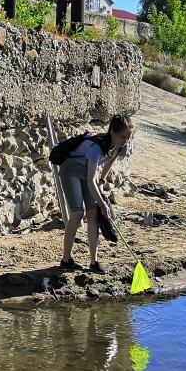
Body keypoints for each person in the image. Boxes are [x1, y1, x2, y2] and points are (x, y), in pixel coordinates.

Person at [58, 114, 134, 273]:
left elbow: (108, 163)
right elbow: (90, 180)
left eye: (128, 137)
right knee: (78, 213)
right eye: (123, 137)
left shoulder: (117, 146)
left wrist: (102, 181)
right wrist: (103, 203)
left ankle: (94, 262)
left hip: (86, 174)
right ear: (112, 132)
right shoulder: (96, 148)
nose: (125, 141)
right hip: (70, 171)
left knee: (92, 213)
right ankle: (66, 260)